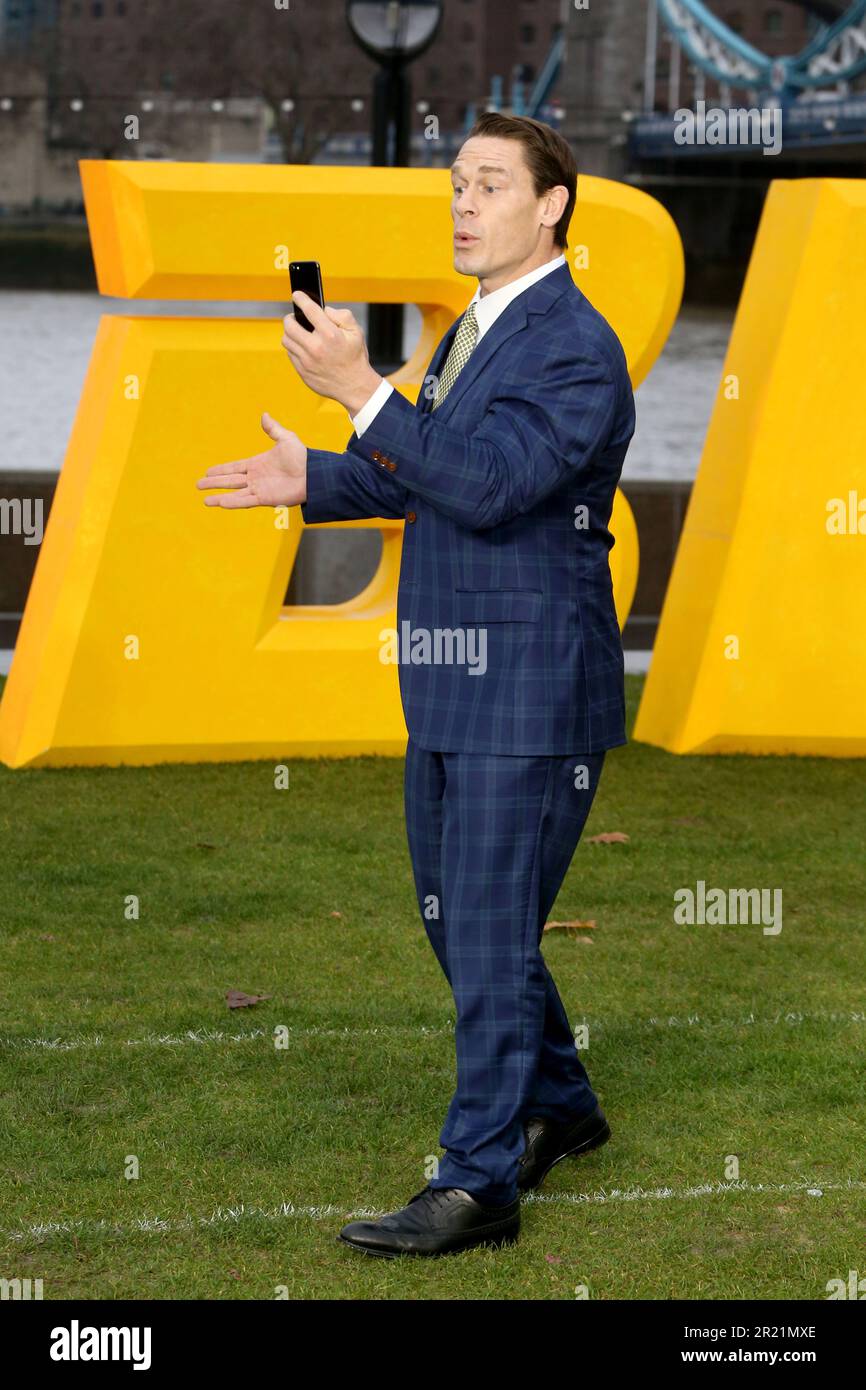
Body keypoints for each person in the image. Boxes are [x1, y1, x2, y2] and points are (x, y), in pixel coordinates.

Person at [197, 112, 636, 1258]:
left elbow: (491, 488)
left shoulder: (574, 344)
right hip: (453, 679)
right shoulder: (472, 330)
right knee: (461, 924)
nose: (462, 202)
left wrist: (356, 389)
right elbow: (428, 469)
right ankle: (564, 1105)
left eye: (488, 184)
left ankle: (479, 1178)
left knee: (485, 933)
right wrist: (316, 475)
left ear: (551, 206)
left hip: (529, 686)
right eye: (456, 182)